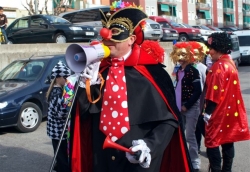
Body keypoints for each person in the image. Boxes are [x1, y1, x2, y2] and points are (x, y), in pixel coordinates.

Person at [67, 2, 192, 172]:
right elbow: (83, 114)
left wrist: (150, 146)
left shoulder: (153, 73)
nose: (107, 37)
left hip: (137, 163)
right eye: (104, 33)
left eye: (115, 32)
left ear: (131, 39)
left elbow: (169, 120)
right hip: (102, 161)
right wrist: (86, 83)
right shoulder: (99, 73)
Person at [204, 32, 250, 172]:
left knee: (212, 143)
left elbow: (213, 93)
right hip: (230, 111)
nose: (209, 52)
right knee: (228, 140)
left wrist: (207, 113)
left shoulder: (218, 67)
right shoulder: (230, 63)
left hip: (218, 112)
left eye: (211, 48)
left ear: (218, 48)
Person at [170, 42, 202, 172]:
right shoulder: (179, 70)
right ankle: (184, 160)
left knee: (190, 136)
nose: (180, 58)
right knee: (180, 135)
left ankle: (195, 163)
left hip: (190, 107)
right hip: (179, 106)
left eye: (183, 55)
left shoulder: (193, 71)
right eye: (178, 54)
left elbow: (197, 90)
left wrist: (187, 105)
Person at [46, 61, 71, 172]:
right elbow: (61, 113)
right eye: (65, 77)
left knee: (60, 155)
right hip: (58, 132)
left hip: (56, 131)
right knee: (62, 158)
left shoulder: (57, 90)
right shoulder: (56, 93)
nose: (66, 79)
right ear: (58, 78)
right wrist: (69, 103)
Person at [189, 41, 207, 154]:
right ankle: (196, 150)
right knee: (194, 131)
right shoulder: (186, 67)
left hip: (201, 104)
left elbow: (207, 86)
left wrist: (205, 104)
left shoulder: (203, 68)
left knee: (203, 129)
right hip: (191, 104)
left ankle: (212, 151)